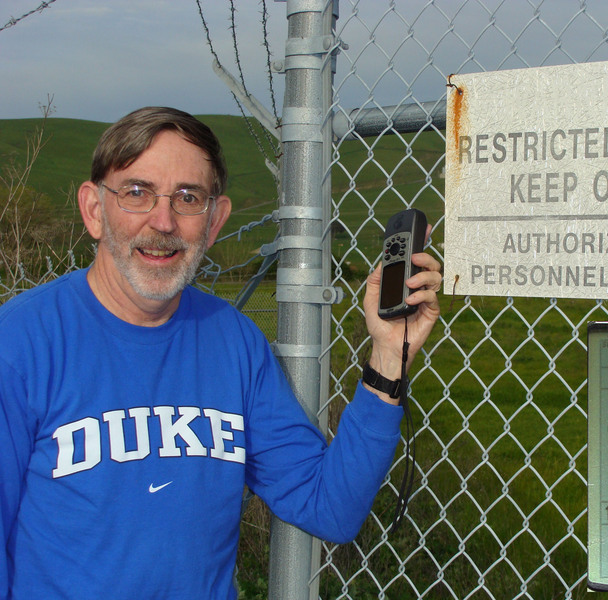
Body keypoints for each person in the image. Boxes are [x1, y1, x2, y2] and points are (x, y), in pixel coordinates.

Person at [0, 106, 442, 599]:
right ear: (94, 209)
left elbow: (329, 508)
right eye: (137, 192)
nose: (163, 221)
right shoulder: (20, 343)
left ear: (214, 221)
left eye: (188, 198)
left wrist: (387, 358)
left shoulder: (234, 342)